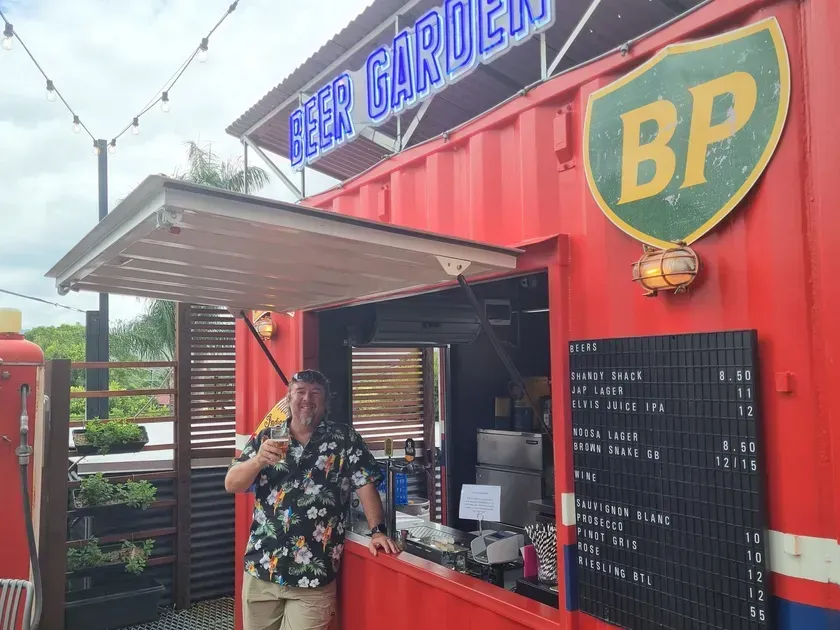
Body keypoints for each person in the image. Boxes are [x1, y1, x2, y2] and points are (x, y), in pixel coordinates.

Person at [225, 369, 399, 630]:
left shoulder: (344, 439)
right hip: (262, 568)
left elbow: (365, 484)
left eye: (316, 392)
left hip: (314, 574)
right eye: (300, 392)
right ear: (289, 398)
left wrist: (378, 531)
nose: (307, 399)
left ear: (325, 402)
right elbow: (232, 484)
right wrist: (258, 460)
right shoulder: (266, 437)